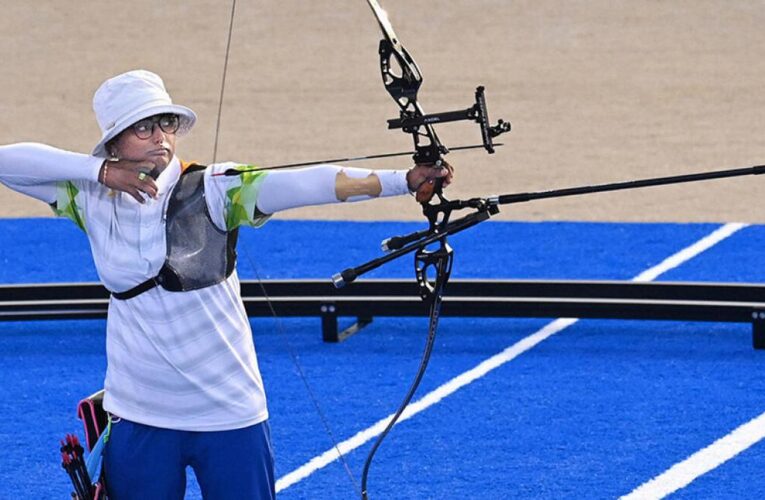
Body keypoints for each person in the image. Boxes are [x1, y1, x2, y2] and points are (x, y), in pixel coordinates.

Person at [0, 69, 452, 499]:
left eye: (166, 122)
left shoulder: (216, 190)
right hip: (139, 411)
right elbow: (7, 161)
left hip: (228, 410)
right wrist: (99, 172)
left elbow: (302, 184)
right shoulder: (88, 197)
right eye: (143, 128)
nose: (161, 136)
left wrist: (401, 181)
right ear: (113, 143)